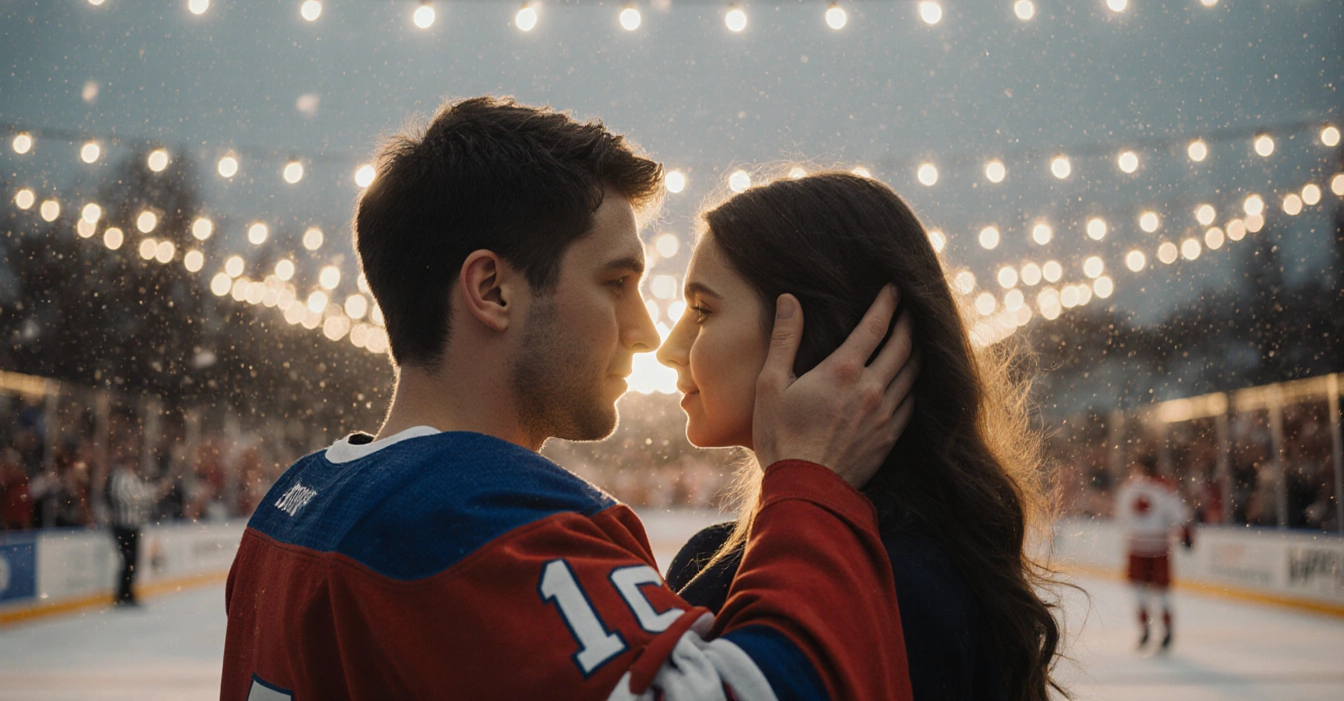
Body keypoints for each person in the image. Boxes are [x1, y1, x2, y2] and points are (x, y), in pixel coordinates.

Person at [221, 98, 920, 700]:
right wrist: (812, 486)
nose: (646, 333)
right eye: (616, 282)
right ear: (492, 290)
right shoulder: (478, 523)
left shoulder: (295, 505)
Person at [657, 173, 1065, 701]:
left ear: (819, 335)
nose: (668, 349)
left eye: (702, 311)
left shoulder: (907, 590)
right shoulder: (709, 557)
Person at [1115, 453, 1191, 650]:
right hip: (1158, 547)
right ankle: (1166, 630)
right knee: (1162, 591)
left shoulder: (1128, 487)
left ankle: (1145, 630)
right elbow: (1180, 516)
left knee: (1139, 590)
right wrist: (1185, 533)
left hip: (1137, 545)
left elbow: (1121, 517)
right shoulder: (1164, 488)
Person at [106, 442, 171, 606]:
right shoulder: (120, 477)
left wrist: (153, 492)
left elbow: (140, 495)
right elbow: (133, 497)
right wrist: (155, 491)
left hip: (132, 525)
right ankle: (123, 594)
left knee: (132, 561)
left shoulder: (131, 477)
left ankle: (127, 593)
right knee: (128, 560)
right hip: (123, 526)